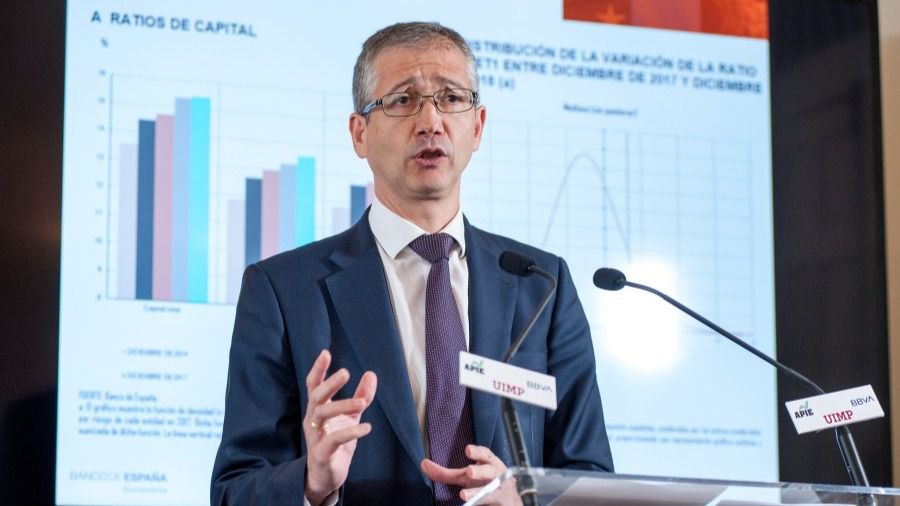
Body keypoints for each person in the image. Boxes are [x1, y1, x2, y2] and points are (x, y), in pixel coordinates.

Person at [211, 21, 613, 506]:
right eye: (402, 100)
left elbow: (590, 479)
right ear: (359, 133)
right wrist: (312, 482)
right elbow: (234, 490)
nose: (431, 121)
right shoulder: (282, 290)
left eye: (450, 98)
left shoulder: (542, 286)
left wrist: (524, 500)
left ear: (477, 126)